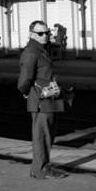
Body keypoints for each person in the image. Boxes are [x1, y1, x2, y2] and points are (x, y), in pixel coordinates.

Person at [17, 20, 67, 180]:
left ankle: (39, 168)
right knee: (42, 137)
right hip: (41, 101)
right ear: (31, 34)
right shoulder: (32, 53)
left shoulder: (41, 50)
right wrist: (27, 93)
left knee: (46, 135)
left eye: (47, 32)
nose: (44, 36)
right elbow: (24, 81)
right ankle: (42, 171)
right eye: (40, 33)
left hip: (47, 100)